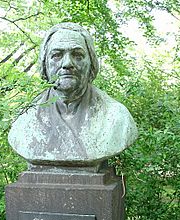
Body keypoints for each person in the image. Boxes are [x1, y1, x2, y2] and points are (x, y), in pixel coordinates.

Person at [8, 22, 138, 169]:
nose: (67, 63)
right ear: (45, 64)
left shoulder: (116, 117)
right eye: (57, 55)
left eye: (77, 55)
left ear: (91, 63)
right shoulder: (26, 118)